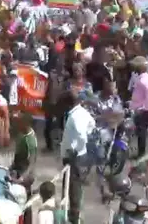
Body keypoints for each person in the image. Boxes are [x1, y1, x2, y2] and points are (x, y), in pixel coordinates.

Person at [59, 88, 94, 224]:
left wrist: (75, 148)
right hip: (78, 155)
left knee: (73, 189)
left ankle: (73, 218)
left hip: (74, 158)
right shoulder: (82, 112)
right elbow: (92, 124)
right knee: (73, 186)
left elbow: (81, 135)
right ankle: (72, 213)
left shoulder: (74, 116)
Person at [10, 113, 37, 224]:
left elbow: (32, 162)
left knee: (24, 200)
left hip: (24, 173)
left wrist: (22, 177)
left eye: (20, 122)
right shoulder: (22, 134)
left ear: (26, 124)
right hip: (17, 169)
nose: (18, 124)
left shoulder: (30, 141)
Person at [129, 56, 148, 158]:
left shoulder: (143, 81)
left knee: (141, 133)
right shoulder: (144, 78)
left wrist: (143, 108)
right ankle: (140, 152)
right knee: (140, 132)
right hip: (139, 109)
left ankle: (141, 154)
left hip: (142, 111)